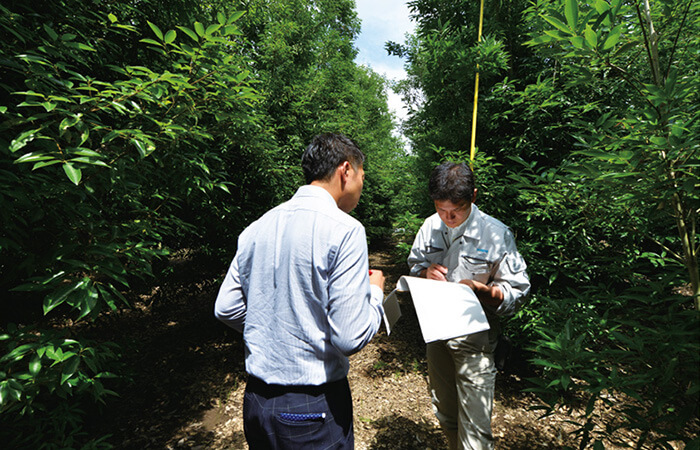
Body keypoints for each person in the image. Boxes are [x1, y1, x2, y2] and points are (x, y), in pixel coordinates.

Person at [214, 133, 385, 449]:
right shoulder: (346, 230)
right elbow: (349, 337)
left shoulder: (256, 228)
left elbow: (226, 307)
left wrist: (274, 327)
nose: (362, 185)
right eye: (362, 176)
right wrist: (374, 294)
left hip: (256, 403)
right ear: (345, 171)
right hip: (312, 408)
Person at [407, 162, 530, 450]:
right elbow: (414, 265)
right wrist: (425, 273)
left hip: (476, 340)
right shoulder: (429, 226)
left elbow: (518, 291)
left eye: (457, 210)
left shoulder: (496, 234)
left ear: (473, 196)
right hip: (437, 333)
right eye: (441, 209)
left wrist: (485, 292)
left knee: (475, 428)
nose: (448, 217)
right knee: (445, 411)